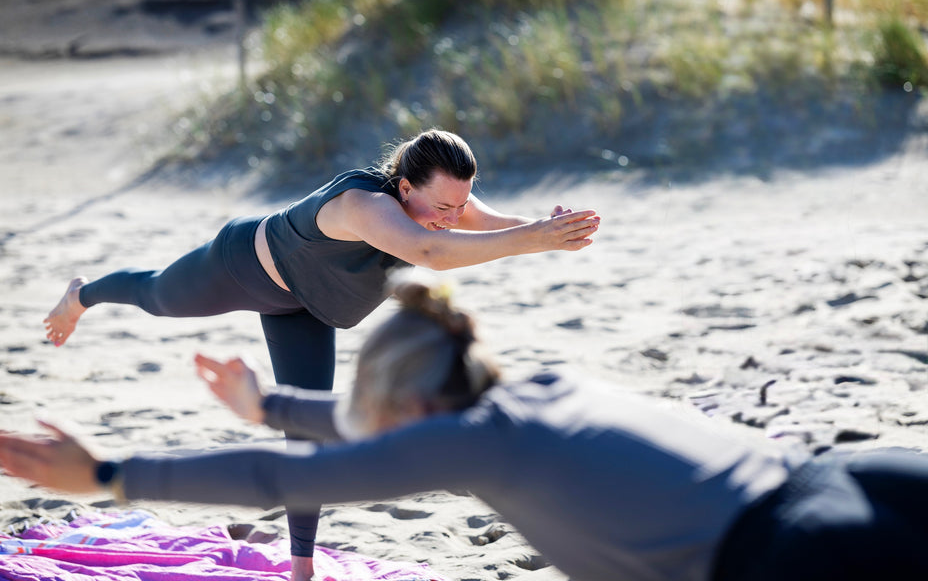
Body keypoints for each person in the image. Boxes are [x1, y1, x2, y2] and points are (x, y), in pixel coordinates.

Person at [6, 277, 928, 581]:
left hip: (798, 554)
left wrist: (108, 475)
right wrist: (273, 407)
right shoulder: (530, 393)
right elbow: (364, 429)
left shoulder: (465, 443)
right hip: (858, 475)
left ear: (409, 403)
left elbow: (273, 481)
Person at [40, 129, 600, 580]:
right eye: (443, 205)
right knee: (158, 295)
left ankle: (300, 568)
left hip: (305, 312)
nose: (453, 216)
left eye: (460, 203)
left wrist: (550, 228)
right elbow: (431, 251)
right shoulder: (360, 203)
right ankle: (81, 294)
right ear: (405, 187)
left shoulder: (444, 201)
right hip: (242, 268)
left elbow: (492, 225)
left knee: (303, 429)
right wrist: (532, 240)